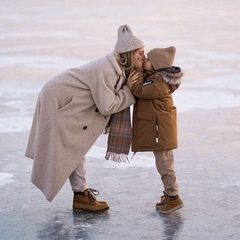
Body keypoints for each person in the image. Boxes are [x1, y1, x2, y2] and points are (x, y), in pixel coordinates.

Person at [25, 24, 145, 212]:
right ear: (129, 55)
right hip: (58, 100)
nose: (143, 57)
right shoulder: (107, 69)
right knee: (73, 147)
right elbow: (107, 106)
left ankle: (81, 195)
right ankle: (81, 196)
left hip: (66, 100)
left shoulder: (117, 69)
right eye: (140, 53)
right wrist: (129, 91)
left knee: (76, 147)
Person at [128, 46, 184, 214]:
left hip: (162, 133)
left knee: (165, 165)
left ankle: (173, 197)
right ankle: (170, 195)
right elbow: (144, 81)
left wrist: (137, 68)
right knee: (165, 164)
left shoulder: (158, 84)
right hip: (162, 131)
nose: (144, 59)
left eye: (148, 59)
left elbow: (139, 90)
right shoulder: (157, 79)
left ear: (156, 66)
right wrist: (139, 68)